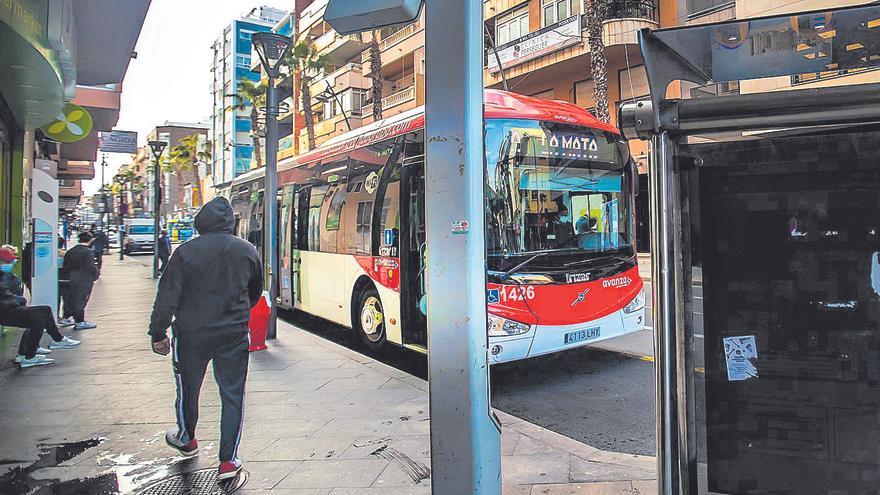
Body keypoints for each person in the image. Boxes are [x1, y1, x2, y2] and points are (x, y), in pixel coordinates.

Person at [149, 197, 262, 480]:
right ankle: (227, 461)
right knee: (233, 394)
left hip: (191, 334)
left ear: (200, 222)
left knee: (188, 387)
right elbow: (256, 291)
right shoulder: (246, 250)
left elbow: (167, 297)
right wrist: (236, 313)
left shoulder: (184, 253)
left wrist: (158, 333)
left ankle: (187, 438)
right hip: (233, 333)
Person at [0, 247, 81, 368]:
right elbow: (7, 296)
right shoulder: (4, 277)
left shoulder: (4, 275)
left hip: (8, 309)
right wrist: (20, 300)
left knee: (44, 311)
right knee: (39, 316)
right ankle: (36, 352)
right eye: (7, 262)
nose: (10, 264)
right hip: (6, 311)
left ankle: (53, 342)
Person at [62, 232, 99, 330]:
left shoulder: (71, 251)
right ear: (90, 240)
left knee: (71, 299)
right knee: (81, 300)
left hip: (71, 278)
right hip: (84, 279)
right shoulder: (88, 252)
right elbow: (91, 267)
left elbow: (66, 266)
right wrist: (95, 276)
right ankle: (79, 321)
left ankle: (67, 316)